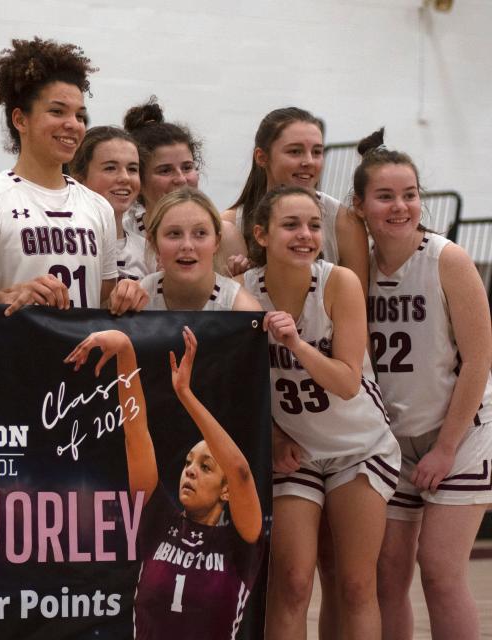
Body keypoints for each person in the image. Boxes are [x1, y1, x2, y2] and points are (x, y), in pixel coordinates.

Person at [240, 186, 399, 638]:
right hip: (297, 450)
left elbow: (348, 382)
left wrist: (295, 344)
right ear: (261, 234)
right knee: (290, 582)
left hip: (359, 446)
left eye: (313, 225)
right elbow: (240, 386)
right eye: (290, 225)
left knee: (354, 584)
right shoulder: (243, 292)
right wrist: (271, 436)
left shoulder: (339, 282)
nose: (305, 234)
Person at [355, 129, 492, 640]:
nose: (401, 206)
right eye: (386, 196)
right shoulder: (357, 269)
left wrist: (447, 447)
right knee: (387, 574)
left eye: (410, 194)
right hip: (394, 442)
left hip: (459, 435)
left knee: (439, 571)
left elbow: (479, 361)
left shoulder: (447, 259)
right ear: (360, 205)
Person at [64, 327, 263, 639]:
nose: (190, 471)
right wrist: (126, 352)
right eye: (188, 463)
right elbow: (135, 434)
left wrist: (185, 394)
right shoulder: (158, 520)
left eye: (206, 467)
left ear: (226, 490)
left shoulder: (240, 543)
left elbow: (240, 471)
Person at [0, 37, 147, 315]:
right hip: (11, 352)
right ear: (20, 120)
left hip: (82, 353)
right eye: (57, 111)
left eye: (79, 116)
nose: (72, 125)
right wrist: (8, 296)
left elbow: (104, 300)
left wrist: (127, 294)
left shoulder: (97, 206)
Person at [221, 107, 368, 285]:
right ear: (262, 157)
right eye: (295, 151)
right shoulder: (229, 225)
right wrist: (234, 284)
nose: (308, 162)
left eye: (317, 152)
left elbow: (358, 306)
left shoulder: (345, 222)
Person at [139, 188, 260, 311]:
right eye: (174, 233)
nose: (187, 245)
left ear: (217, 242)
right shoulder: (138, 300)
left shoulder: (242, 309)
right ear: (154, 242)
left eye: (200, 233)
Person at [69, 126, 152, 281]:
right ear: (79, 179)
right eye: (110, 168)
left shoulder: (149, 252)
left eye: (132, 169)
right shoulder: (64, 244)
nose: (125, 178)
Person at [120, 98, 204, 239]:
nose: (181, 179)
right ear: (138, 178)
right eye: (165, 170)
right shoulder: (120, 236)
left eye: (187, 167)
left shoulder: (220, 234)